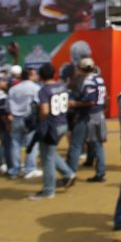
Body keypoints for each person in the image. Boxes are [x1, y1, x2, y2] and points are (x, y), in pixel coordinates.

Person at [29, 63, 77, 199]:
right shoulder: (62, 86)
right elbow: (67, 104)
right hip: (63, 123)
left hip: (51, 126)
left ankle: (48, 190)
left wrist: (39, 118)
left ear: (41, 75)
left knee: (47, 158)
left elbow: (44, 111)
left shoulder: (44, 90)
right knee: (50, 152)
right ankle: (68, 174)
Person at [74, 58, 109, 183]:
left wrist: (74, 103)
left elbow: (90, 100)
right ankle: (92, 163)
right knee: (95, 142)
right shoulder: (99, 78)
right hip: (99, 113)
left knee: (96, 143)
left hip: (92, 114)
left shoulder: (88, 81)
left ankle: (100, 172)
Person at [6, 64, 42, 179]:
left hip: (16, 118)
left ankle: (14, 170)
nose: (36, 76)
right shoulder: (35, 88)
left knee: (15, 145)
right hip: (30, 119)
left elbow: (7, 106)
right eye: (35, 74)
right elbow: (39, 104)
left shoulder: (13, 88)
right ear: (31, 75)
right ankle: (29, 169)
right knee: (31, 144)